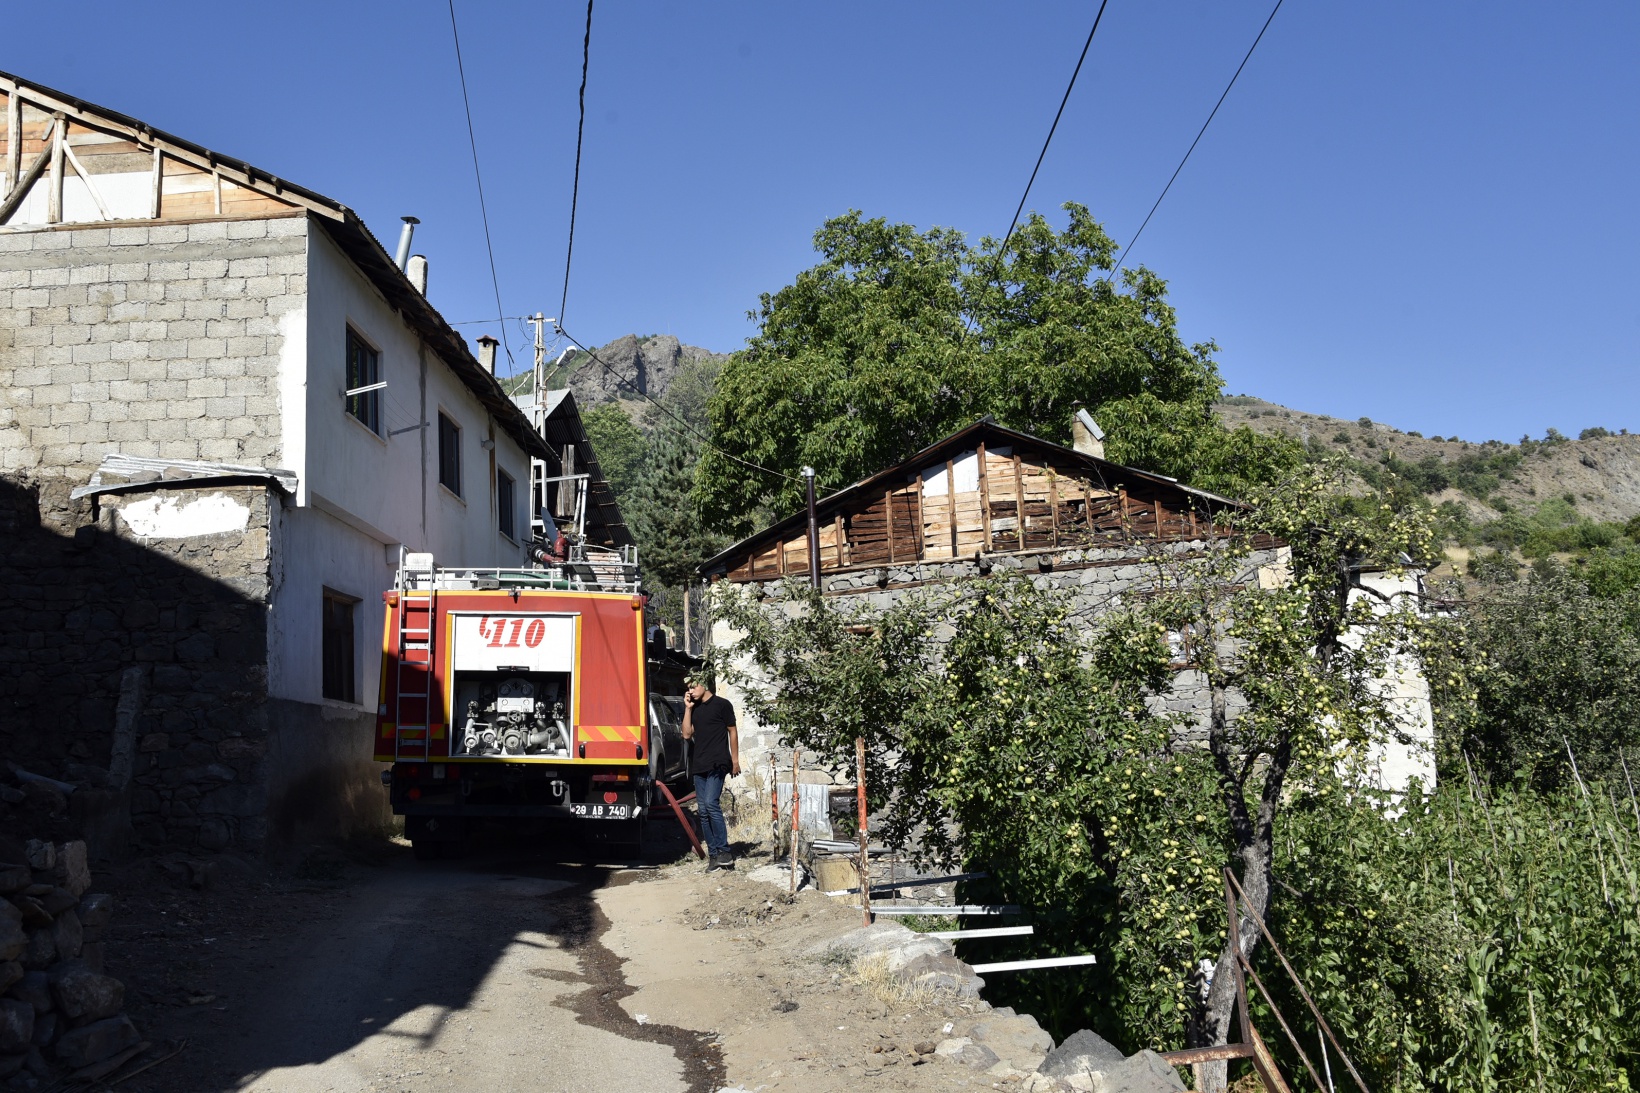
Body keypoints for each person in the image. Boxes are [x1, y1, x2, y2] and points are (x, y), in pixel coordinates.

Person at [681, 675, 739, 870]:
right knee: (703, 811)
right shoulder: (694, 708)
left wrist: (735, 760)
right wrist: (688, 709)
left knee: (711, 803)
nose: (690, 690)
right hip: (700, 764)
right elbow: (687, 734)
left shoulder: (722, 704)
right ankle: (714, 856)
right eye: (688, 688)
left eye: (694, 686)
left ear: (704, 684)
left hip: (719, 763)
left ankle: (725, 852)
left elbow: (732, 731)